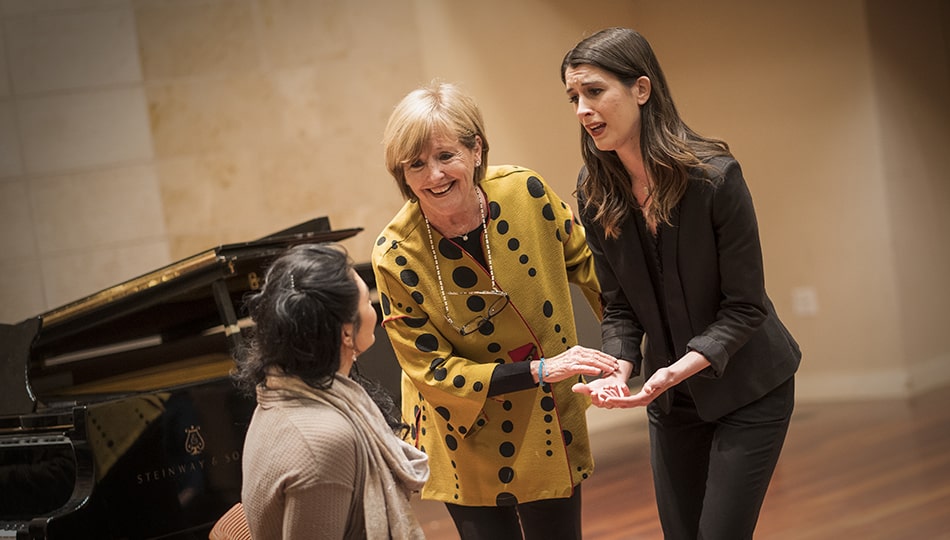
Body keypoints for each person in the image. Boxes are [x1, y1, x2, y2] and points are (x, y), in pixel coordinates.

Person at [562, 28, 801, 540]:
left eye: (595, 91)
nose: (583, 109)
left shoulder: (715, 178)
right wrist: (619, 367)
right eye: (574, 97)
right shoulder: (594, 191)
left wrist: (675, 369)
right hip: (673, 400)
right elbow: (619, 307)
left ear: (641, 89)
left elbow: (745, 307)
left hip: (749, 390)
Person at [371, 82, 620, 539]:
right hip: (461, 431)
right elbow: (430, 370)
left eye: (446, 155)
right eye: (416, 164)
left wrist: (628, 350)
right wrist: (540, 369)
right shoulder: (395, 254)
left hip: (546, 416)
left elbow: (594, 268)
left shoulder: (526, 193)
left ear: (476, 149)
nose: (434, 176)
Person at [233, 243, 429, 540]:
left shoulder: (275, 396)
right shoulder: (327, 441)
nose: (374, 312)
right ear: (346, 332)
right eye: (367, 301)